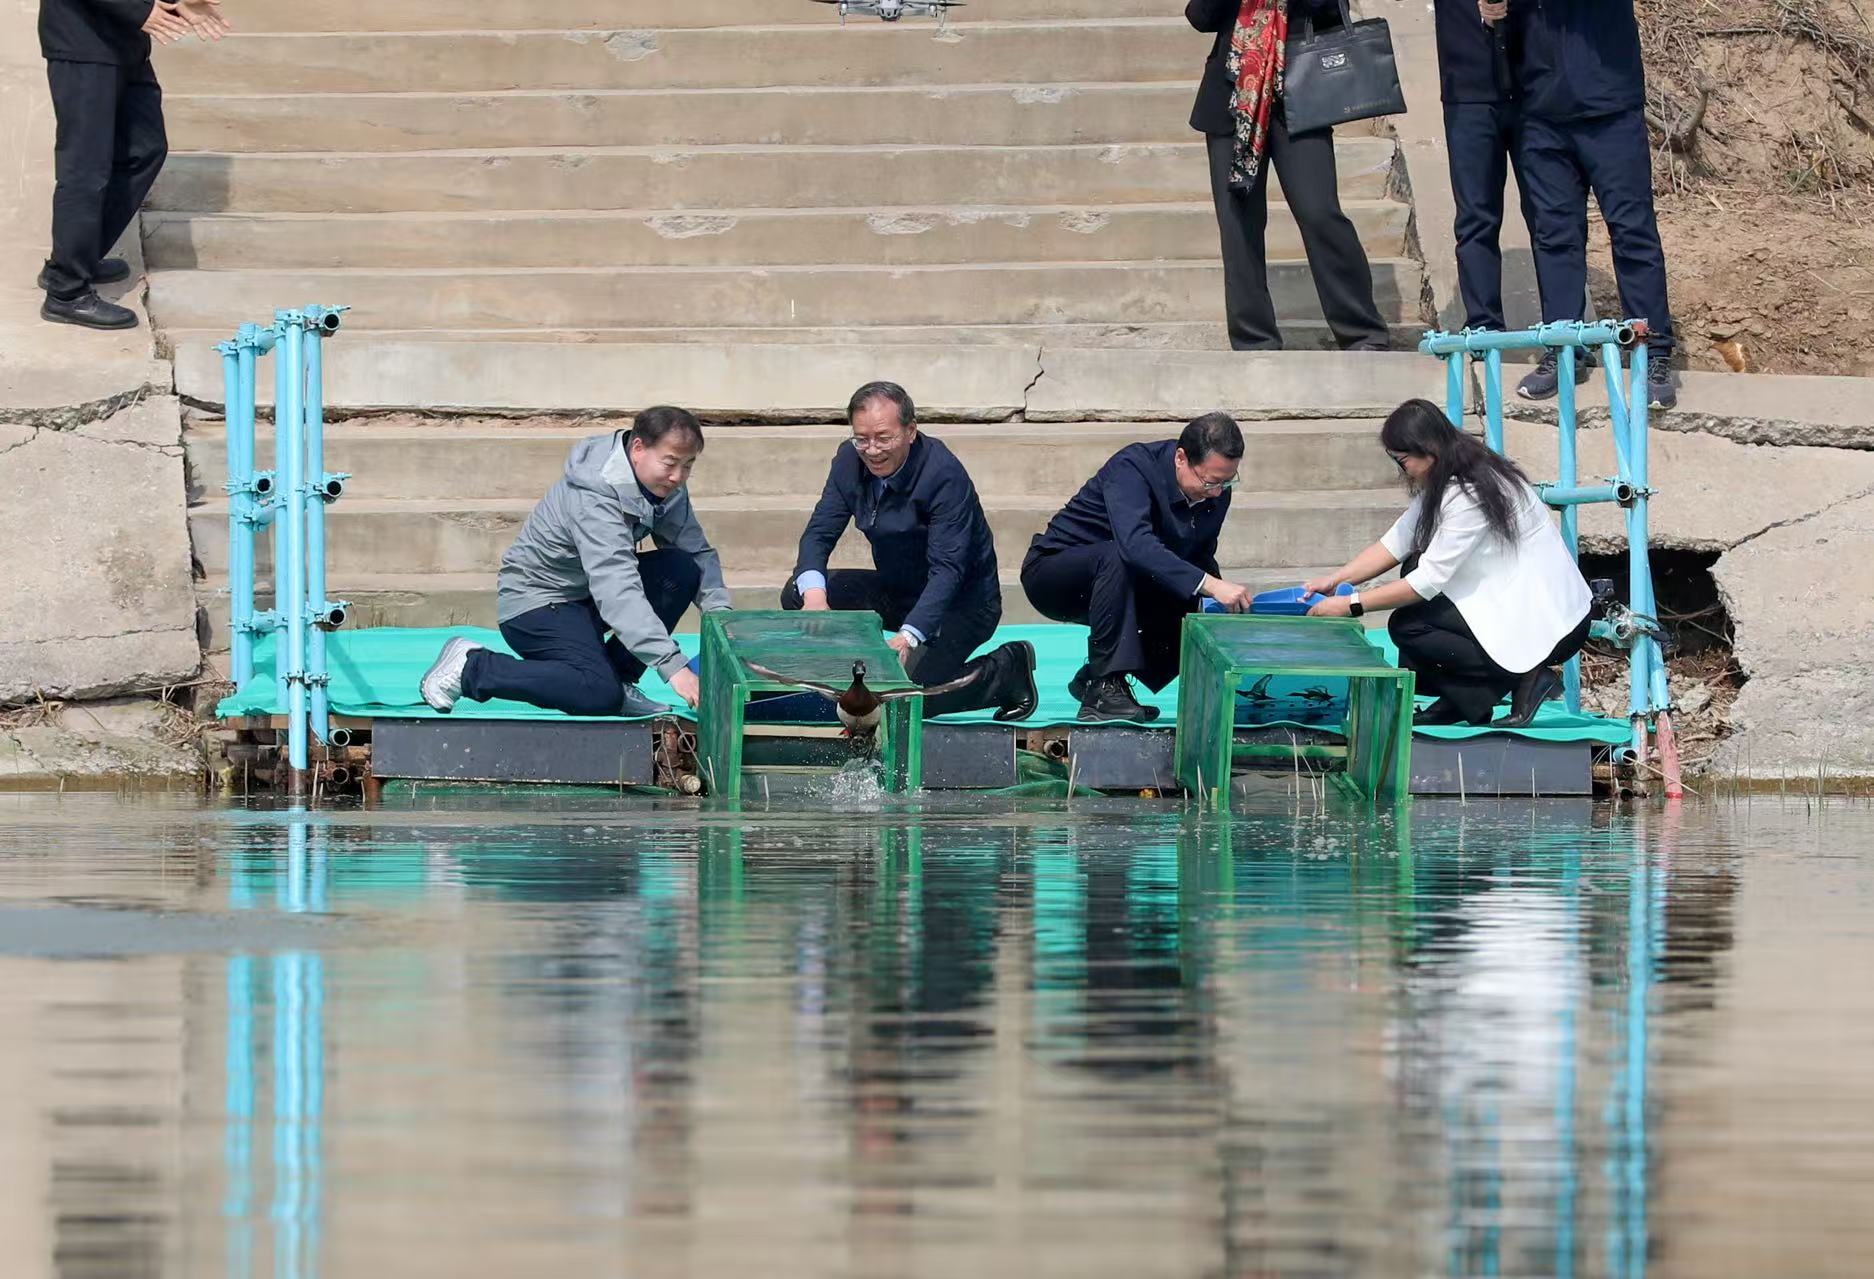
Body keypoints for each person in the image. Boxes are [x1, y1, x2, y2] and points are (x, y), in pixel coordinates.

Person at [419, 406, 730, 718]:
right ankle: (472, 667)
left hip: (586, 596)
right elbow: (616, 589)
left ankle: (619, 680)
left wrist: (726, 628)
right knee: (597, 692)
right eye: (670, 463)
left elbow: (697, 553)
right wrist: (673, 667)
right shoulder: (595, 497)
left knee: (682, 569)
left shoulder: (663, 485)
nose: (678, 476)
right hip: (538, 603)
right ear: (638, 449)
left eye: (688, 466)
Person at [1302, 399, 1592, 727]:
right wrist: (1336, 580)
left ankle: (1527, 674)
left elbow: (1427, 582)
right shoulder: (1455, 473)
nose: (1401, 470)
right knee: (1412, 570)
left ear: (1428, 450)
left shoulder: (1470, 494)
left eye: (1402, 460)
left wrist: (1351, 605)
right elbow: (1397, 540)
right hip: (1519, 604)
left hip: (1552, 624)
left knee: (1410, 625)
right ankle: (1467, 701)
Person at [785, 381, 1039, 722]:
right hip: (899, 589)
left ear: (910, 431)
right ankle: (858, 680)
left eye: (883, 438)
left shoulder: (943, 475)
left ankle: (1005, 670)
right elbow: (819, 532)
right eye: (861, 439)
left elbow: (948, 570)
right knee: (799, 592)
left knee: (898, 703)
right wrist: (815, 597)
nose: (872, 450)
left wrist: (910, 635)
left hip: (960, 604)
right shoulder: (848, 460)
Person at [1021, 413, 1256, 723]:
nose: (1216, 492)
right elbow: (1135, 545)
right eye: (1209, 482)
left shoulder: (1217, 490)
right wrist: (1210, 584)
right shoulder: (1132, 467)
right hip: (1054, 575)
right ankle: (1104, 688)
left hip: (1121, 582)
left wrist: (1218, 606)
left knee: (1189, 595)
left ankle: (1094, 677)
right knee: (1123, 556)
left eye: (1227, 481)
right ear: (1181, 458)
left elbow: (1199, 557)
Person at [1185, 0, 1392, 352]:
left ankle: (1362, 334)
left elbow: (1330, 9)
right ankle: (1254, 340)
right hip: (1234, 100)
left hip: (1300, 95)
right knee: (1238, 226)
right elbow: (1200, 16)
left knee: (1319, 212)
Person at [1506, 0, 1677, 408]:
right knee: (1554, 235)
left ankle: (1651, 353)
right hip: (1540, 105)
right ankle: (1564, 348)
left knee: (1632, 232)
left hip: (1610, 103)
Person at [37, 0, 229, 331]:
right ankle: (66, 291)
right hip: (83, 42)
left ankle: (74, 259)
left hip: (124, 41)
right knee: (85, 170)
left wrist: (175, 3)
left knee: (145, 149)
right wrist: (137, 9)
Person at [1435, 0, 1540, 334]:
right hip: (1467, 88)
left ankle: (1566, 331)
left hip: (1536, 85)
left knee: (1549, 216)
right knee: (1475, 217)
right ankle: (1483, 327)